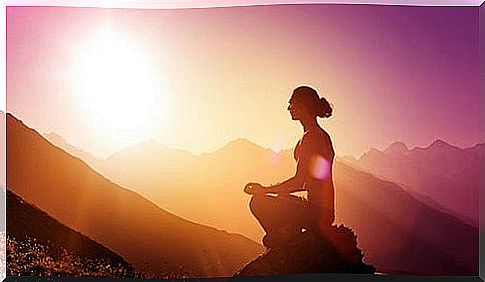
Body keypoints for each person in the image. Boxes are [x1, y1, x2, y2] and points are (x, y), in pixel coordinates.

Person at [244, 85, 335, 248]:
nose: (288, 108)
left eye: (291, 103)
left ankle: (286, 240)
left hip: (316, 213)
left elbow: (299, 182)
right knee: (281, 197)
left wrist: (263, 190)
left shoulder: (311, 137)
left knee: (258, 202)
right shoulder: (318, 135)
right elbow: (311, 182)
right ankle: (286, 234)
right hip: (323, 211)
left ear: (301, 105)